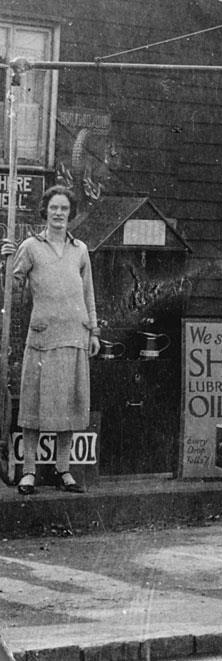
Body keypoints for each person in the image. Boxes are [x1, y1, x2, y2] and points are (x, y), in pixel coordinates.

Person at [1, 185, 100, 495]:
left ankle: (63, 470)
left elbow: (88, 294)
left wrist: (93, 331)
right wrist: (3, 261)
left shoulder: (80, 249)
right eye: (54, 208)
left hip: (75, 336)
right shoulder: (31, 246)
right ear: (45, 212)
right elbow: (12, 286)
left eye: (64, 209)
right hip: (42, 338)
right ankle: (29, 472)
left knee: (69, 406)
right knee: (33, 406)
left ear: (70, 214)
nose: (59, 213)